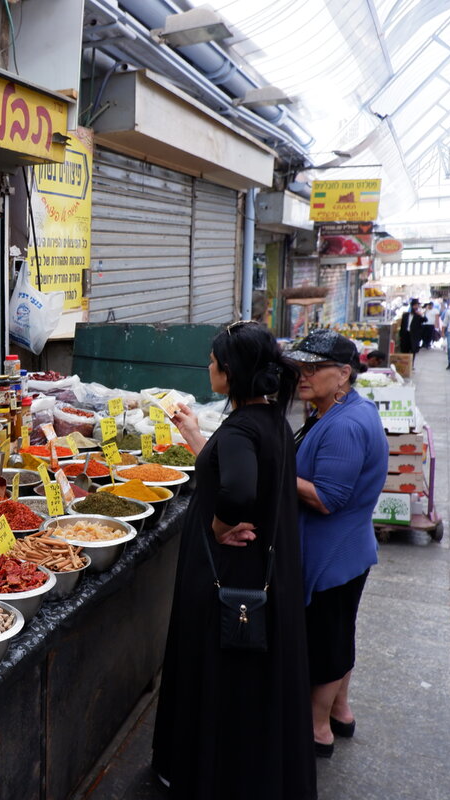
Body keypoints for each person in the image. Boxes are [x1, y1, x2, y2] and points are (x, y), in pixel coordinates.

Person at [152, 321, 315, 800]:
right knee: (250, 685)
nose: (208, 366)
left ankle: (209, 775)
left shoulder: (244, 427)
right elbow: (233, 469)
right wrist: (196, 438)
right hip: (264, 572)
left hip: (230, 575)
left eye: (213, 360)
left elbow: (239, 488)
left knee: (220, 676)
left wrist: (221, 522)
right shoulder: (270, 419)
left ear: (229, 371)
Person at [283, 330, 389, 758]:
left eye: (314, 368)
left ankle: (318, 729)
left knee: (326, 641)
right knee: (340, 633)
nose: (302, 376)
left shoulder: (344, 425)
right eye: (300, 367)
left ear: (343, 373)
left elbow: (326, 498)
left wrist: (272, 472)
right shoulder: (344, 407)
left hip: (332, 554)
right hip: (348, 549)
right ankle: (341, 710)